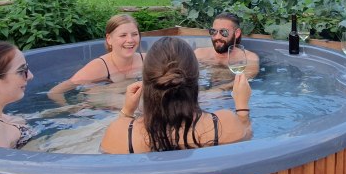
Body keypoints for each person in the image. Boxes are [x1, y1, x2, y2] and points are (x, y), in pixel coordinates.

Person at [100, 37, 252, 154]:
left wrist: (127, 112)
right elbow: (247, 146)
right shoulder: (223, 124)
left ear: (146, 80)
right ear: (195, 78)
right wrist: (242, 107)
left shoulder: (120, 133)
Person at [48, 14, 144, 106]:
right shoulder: (98, 67)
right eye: (123, 35)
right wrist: (70, 110)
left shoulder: (147, 60)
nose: (130, 40)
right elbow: (54, 92)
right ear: (109, 39)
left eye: (134, 34)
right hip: (100, 106)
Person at [194, 12, 260, 80]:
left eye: (224, 32)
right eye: (213, 31)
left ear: (237, 33)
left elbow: (243, 80)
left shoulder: (249, 58)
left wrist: (219, 89)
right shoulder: (199, 54)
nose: (217, 37)